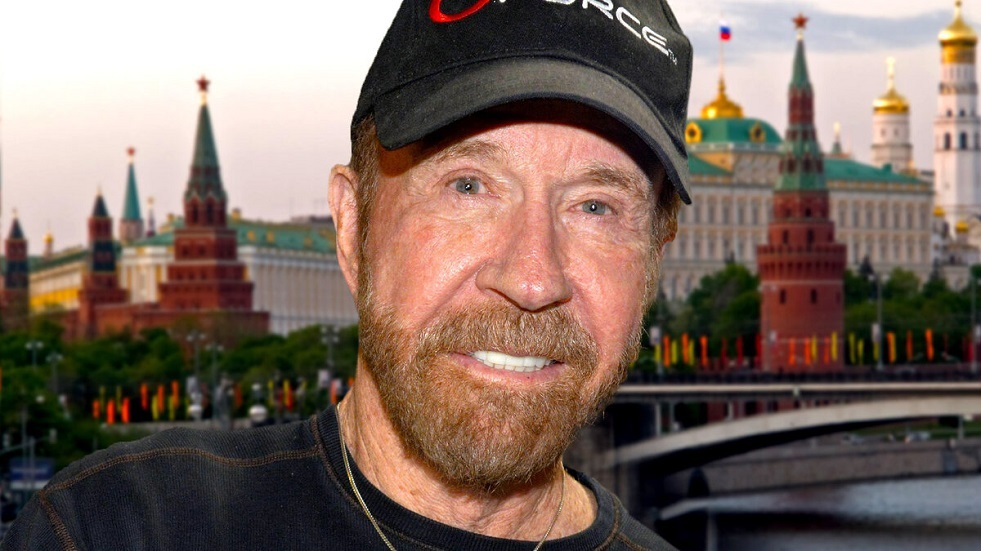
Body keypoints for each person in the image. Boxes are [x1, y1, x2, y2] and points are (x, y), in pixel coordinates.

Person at [1, 1, 692, 549]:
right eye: (468, 186)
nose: (533, 278)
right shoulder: (114, 529)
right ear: (352, 225)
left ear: (654, 257)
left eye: (596, 207)